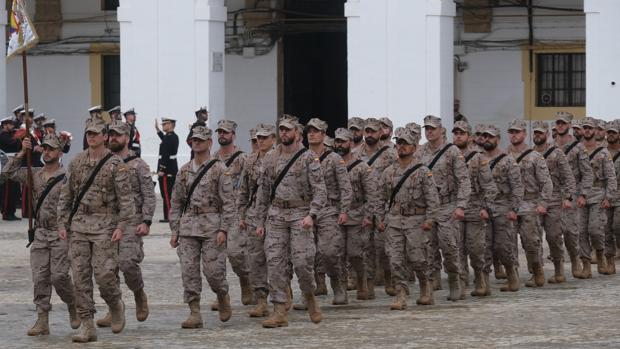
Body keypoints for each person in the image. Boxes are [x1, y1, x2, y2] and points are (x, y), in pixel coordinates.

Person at [57, 117, 134, 342]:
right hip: (79, 225)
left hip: (105, 226)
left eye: (95, 133)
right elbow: (66, 194)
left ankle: (115, 304)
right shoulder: (77, 162)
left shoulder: (115, 164)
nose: (91, 136)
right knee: (80, 278)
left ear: (105, 136)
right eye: (88, 133)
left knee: (104, 276)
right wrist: (62, 223)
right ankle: (88, 325)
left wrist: (121, 226)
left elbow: (126, 200)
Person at [3, 134, 80, 336]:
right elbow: (7, 172)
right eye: (44, 148)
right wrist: (22, 151)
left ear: (60, 153)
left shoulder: (67, 176)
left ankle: (72, 303)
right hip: (40, 232)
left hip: (60, 232)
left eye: (51, 149)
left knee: (59, 276)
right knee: (40, 277)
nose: (46, 152)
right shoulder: (34, 174)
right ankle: (42, 319)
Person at [254, 114, 327, 328]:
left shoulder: (308, 158)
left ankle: (310, 296)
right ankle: (279, 310)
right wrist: (259, 221)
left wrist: (311, 215)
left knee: (303, 263)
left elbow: (320, 191)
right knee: (275, 263)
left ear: (297, 133)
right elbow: (263, 191)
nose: (284, 133)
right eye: (281, 129)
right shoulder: (271, 158)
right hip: (276, 215)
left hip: (300, 215)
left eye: (288, 129)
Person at [168, 126, 235, 329]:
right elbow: (176, 201)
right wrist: (175, 229)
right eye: (193, 140)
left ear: (209, 143)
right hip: (188, 227)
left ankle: (222, 294)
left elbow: (228, 203)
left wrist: (224, 229)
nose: (196, 143)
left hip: (212, 226)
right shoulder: (184, 170)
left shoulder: (220, 169)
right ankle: (194, 311)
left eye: (200, 140)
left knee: (214, 272)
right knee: (188, 270)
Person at [95, 121, 156, 328]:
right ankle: (114, 308)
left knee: (127, 263)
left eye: (118, 135)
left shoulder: (139, 165)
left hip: (132, 222)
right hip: (107, 223)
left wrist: (146, 221)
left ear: (127, 138)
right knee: (106, 270)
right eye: (110, 134)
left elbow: (149, 195)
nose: (113, 138)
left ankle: (139, 293)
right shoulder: (103, 164)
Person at [377, 127, 439, 310]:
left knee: (417, 258)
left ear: (414, 147)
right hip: (395, 221)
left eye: (406, 144)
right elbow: (380, 198)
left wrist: (430, 219)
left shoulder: (422, 171)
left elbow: (432, 198)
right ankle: (400, 294)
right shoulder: (388, 172)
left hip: (416, 220)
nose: (401, 147)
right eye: (399, 143)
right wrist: (380, 218)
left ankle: (425, 288)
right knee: (395, 259)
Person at [418, 115, 471, 300]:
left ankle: (455, 281)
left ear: (441, 130)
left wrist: (461, 205)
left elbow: (464, 180)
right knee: (427, 249)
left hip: (447, 205)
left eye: (433, 128)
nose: (429, 131)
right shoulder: (420, 152)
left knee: (449, 247)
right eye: (427, 128)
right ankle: (430, 285)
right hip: (427, 208)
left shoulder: (452, 151)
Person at [304, 118, 352, 306]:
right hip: (306, 209)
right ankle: (311, 291)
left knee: (329, 251)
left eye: (316, 131)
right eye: (309, 131)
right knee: (306, 254)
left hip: (329, 209)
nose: (312, 134)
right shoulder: (301, 157)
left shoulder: (334, 159)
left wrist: (344, 210)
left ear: (324, 135)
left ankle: (338, 284)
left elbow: (345, 187)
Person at [352, 117, 397, 298]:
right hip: (362, 206)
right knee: (364, 247)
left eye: (373, 131)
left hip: (383, 206)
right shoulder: (355, 153)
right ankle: (367, 284)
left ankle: (389, 277)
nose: (369, 134)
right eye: (367, 131)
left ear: (380, 133)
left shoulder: (390, 154)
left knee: (384, 246)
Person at [452, 121, 497, 297]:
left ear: (469, 137)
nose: (458, 136)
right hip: (455, 208)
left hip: (475, 207)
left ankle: (480, 276)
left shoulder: (478, 157)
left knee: (476, 247)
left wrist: (486, 207)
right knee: (457, 248)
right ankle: (461, 282)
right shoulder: (449, 156)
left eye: (462, 133)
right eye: (455, 133)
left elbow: (490, 186)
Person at [333, 128, 379, 300]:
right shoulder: (330, 165)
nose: (339, 145)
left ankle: (361, 279)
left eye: (343, 142)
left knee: (355, 253)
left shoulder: (361, 167)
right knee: (336, 254)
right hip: (335, 214)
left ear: (351, 143)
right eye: (337, 141)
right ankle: (341, 289)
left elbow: (371, 194)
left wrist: (368, 216)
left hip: (356, 214)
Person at [506, 119, 553, 288]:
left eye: (517, 132)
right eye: (511, 132)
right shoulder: (504, 157)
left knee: (530, 242)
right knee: (508, 243)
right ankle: (512, 275)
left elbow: (546, 183)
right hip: (510, 204)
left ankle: (537, 271)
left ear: (524, 134)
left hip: (530, 203)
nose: (514, 135)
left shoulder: (535, 157)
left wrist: (543, 203)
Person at [212, 119, 253, 307]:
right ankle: (221, 294)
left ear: (233, 135)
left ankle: (245, 280)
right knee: (214, 259)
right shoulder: (212, 159)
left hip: (236, 211)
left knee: (236, 253)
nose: (222, 135)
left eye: (226, 132)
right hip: (215, 213)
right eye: (219, 132)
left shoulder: (243, 158)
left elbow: (250, 186)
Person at [531, 121, 577, 283]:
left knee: (553, 236)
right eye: (535, 133)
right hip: (535, 200)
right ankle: (536, 272)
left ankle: (559, 270)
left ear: (547, 135)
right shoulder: (529, 154)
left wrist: (568, 197)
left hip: (555, 199)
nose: (537, 135)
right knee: (533, 238)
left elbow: (569, 176)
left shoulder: (556, 153)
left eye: (540, 133)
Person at [238, 123, 276, 317]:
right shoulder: (250, 160)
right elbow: (243, 189)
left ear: (273, 139)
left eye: (264, 137)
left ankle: (283, 293)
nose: (260, 141)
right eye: (257, 138)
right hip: (254, 215)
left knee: (278, 258)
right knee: (255, 258)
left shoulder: (281, 159)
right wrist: (241, 213)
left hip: (276, 214)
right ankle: (261, 299)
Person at [481, 125, 523, 292]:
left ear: (497, 139)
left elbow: (517, 187)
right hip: (483, 207)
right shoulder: (477, 159)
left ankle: (512, 276)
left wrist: (514, 209)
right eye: (484, 137)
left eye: (490, 137)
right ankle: (483, 282)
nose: (486, 140)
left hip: (503, 207)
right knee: (483, 246)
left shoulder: (507, 160)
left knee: (503, 246)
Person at [554, 111, 592, 277]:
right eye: (558, 123)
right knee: (554, 233)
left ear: (569, 125)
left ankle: (576, 259)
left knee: (570, 231)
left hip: (572, 193)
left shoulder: (578, 147)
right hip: (553, 194)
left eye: (563, 123)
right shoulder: (550, 146)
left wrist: (583, 194)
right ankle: (559, 269)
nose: (560, 125)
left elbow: (587, 173)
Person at [578, 117, 617, 278]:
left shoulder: (603, 152)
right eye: (584, 128)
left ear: (595, 131)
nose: (587, 130)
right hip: (579, 196)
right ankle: (586, 265)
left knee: (595, 230)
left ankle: (600, 255)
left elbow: (611, 176)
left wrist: (609, 197)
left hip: (598, 195)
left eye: (590, 128)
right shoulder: (576, 150)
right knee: (580, 232)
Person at [155, 117, 179, 223]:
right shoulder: (172, 137)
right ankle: (168, 215)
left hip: (167, 171)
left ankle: (169, 216)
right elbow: (164, 140)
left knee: (167, 194)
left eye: (165, 124)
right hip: (171, 169)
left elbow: (165, 155)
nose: (163, 125)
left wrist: (162, 169)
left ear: (170, 125)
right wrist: (158, 130)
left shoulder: (169, 138)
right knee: (168, 194)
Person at [605, 120, 620, 273]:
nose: (610, 135)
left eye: (613, 132)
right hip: (605, 195)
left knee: (617, 225)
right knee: (606, 229)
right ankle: (610, 262)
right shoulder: (602, 152)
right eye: (608, 132)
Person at [0, 116, 21, 220]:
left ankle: (11, 212)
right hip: (6, 165)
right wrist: (18, 137)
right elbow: (11, 143)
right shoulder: (3, 135)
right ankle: (6, 213)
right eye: (10, 124)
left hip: (13, 164)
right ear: (5, 125)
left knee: (13, 190)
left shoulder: (10, 135)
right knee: (7, 190)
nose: (13, 126)